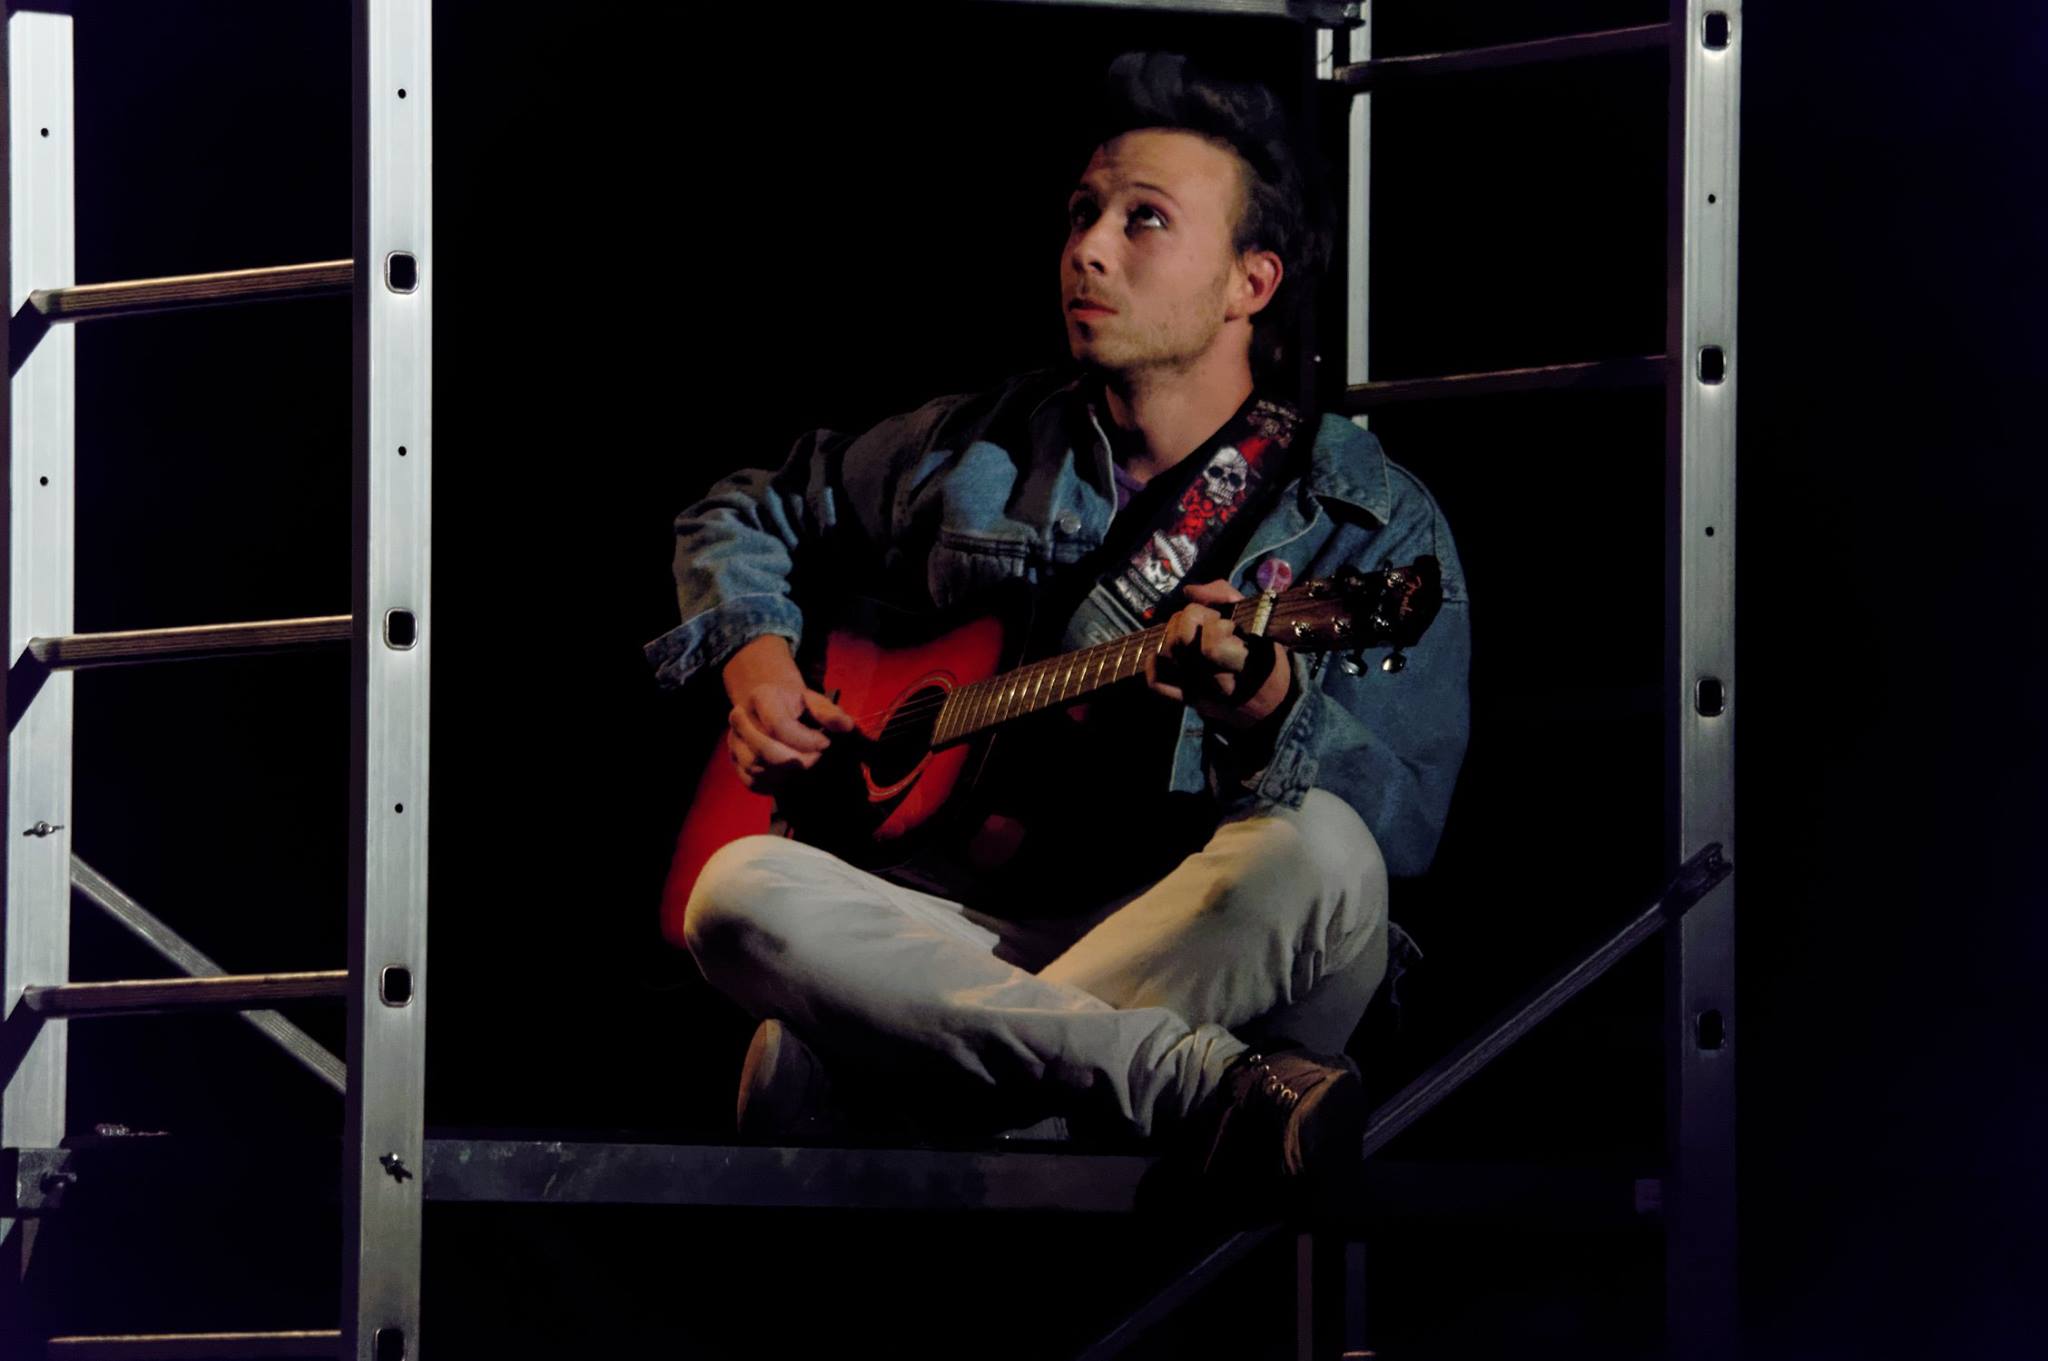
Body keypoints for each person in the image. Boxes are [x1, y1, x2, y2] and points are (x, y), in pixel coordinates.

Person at [643, 52, 1470, 1187]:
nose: (1088, 248)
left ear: (1251, 281)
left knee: (1326, 854)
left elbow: (1401, 822)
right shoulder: (977, 448)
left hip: (1191, 930)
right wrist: (758, 665)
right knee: (737, 892)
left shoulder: (1363, 516)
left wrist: (1269, 714)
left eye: (1144, 220)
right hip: (967, 928)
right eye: (1083, 213)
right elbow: (743, 508)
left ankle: (903, 1068)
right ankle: (1185, 1082)